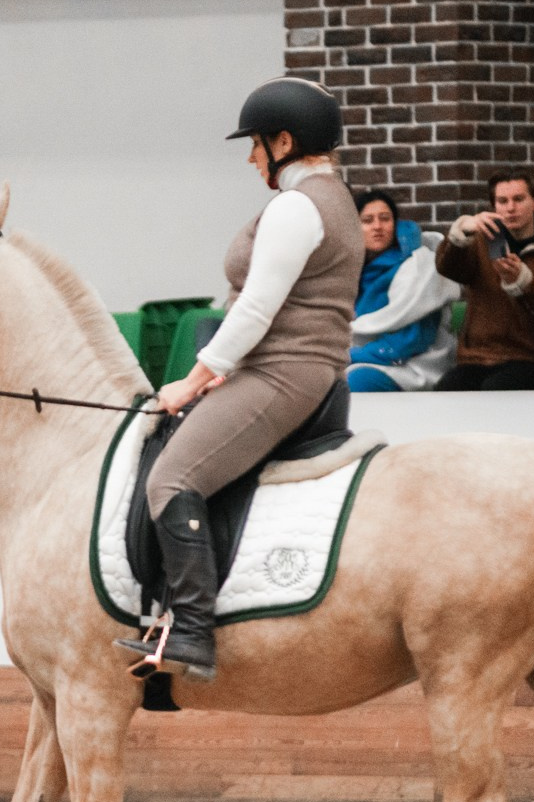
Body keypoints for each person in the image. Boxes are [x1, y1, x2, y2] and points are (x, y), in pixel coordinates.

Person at [115, 77, 363, 681]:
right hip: (295, 370)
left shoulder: (299, 206)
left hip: (283, 374)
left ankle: (194, 631)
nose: (251, 158)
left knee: (172, 478)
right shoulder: (331, 198)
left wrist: (192, 382)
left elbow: (256, 309)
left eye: (255, 144)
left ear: (284, 140)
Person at [433, 171, 534, 390]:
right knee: (446, 392)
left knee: (497, 390)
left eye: (519, 199)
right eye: (502, 201)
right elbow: (447, 268)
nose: (510, 208)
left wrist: (523, 282)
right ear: (494, 207)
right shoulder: (480, 243)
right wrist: (461, 233)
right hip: (476, 358)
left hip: (530, 359)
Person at [346, 189, 460, 393]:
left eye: (385, 218)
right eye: (367, 220)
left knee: (355, 381)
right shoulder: (355, 271)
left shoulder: (416, 268)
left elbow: (412, 340)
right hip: (371, 359)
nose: (377, 227)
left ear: (395, 224)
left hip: (416, 365)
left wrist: (350, 357)